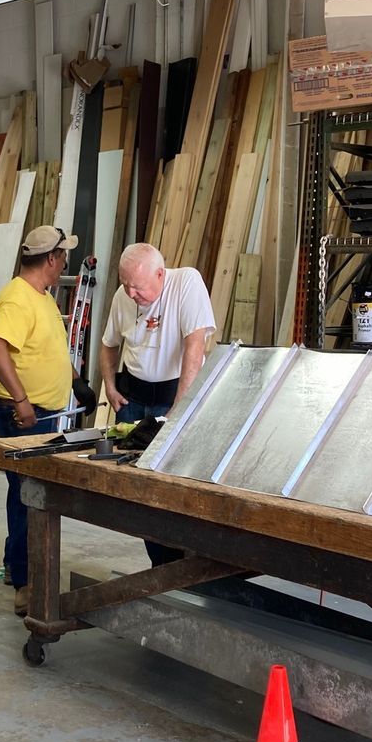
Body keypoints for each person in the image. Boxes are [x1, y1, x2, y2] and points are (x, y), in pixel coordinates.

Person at [0, 226, 95, 615]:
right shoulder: (17, 299)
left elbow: (48, 348)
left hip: (44, 410)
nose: (65, 261)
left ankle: (18, 568)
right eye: (63, 255)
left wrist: (77, 383)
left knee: (27, 490)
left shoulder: (41, 297)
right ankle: (26, 579)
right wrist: (22, 399)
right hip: (25, 414)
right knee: (30, 494)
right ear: (51, 259)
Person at [99, 242, 216, 565]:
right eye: (125, 284)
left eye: (137, 286)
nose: (131, 293)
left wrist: (181, 407)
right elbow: (108, 345)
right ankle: (162, 564)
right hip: (133, 400)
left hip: (173, 399)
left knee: (177, 488)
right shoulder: (123, 297)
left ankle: (186, 564)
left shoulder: (186, 283)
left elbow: (195, 346)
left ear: (160, 274)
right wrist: (109, 386)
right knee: (139, 495)